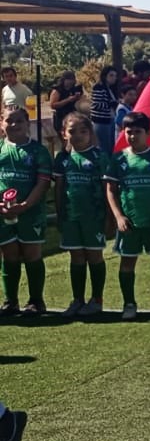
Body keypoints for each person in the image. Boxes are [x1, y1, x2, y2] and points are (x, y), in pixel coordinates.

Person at [105, 111, 150, 320]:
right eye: (129, 132)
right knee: (127, 263)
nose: (133, 136)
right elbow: (111, 189)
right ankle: (129, 304)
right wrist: (118, 216)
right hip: (130, 223)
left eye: (138, 132)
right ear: (123, 132)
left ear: (147, 133)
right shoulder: (119, 159)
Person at [54, 113, 111, 317]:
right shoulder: (62, 159)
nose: (77, 135)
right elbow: (59, 189)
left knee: (94, 255)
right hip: (71, 216)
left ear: (90, 133)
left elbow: (108, 190)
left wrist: (109, 217)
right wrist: (60, 214)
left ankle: (97, 299)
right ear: (64, 134)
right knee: (76, 256)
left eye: (83, 131)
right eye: (72, 131)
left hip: (93, 217)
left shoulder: (99, 157)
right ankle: (77, 299)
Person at [0, 106, 53, 316]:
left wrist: (25, 205)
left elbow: (42, 183)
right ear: (1, 123)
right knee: (9, 254)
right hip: (3, 213)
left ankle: (36, 301)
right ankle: (10, 301)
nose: (14, 125)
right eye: (9, 121)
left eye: (19, 121)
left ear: (27, 123)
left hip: (31, 211)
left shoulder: (38, 151)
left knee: (32, 253)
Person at [90, 67, 125, 153]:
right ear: (105, 76)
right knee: (104, 146)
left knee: (111, 145)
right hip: (101, 121)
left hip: (110, 119)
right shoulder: (99, 87)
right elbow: (96, 105)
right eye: (111, 75)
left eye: (115, 76)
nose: (114, 78)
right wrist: (111, 103)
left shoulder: (110, 88)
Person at [1, 66, 36, 143]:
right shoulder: (4, 90)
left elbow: (32, 106)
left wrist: (28, 120)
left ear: (15, 76)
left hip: (20, 121)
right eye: (6, 76)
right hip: (9, 122)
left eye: (11, 76)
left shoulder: (24, 89)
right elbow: (3, 105)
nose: (9, 78)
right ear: (3, 78)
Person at [48, 71, 83, 140]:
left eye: (72, 80)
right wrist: (67, 100)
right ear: (64, 80)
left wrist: (77, 98)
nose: (70, 82)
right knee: (65, 139)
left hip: (72, 116)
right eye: (69, 80)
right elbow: (53, 105)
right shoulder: (57, 90)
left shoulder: (73, 89)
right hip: (61, 117)